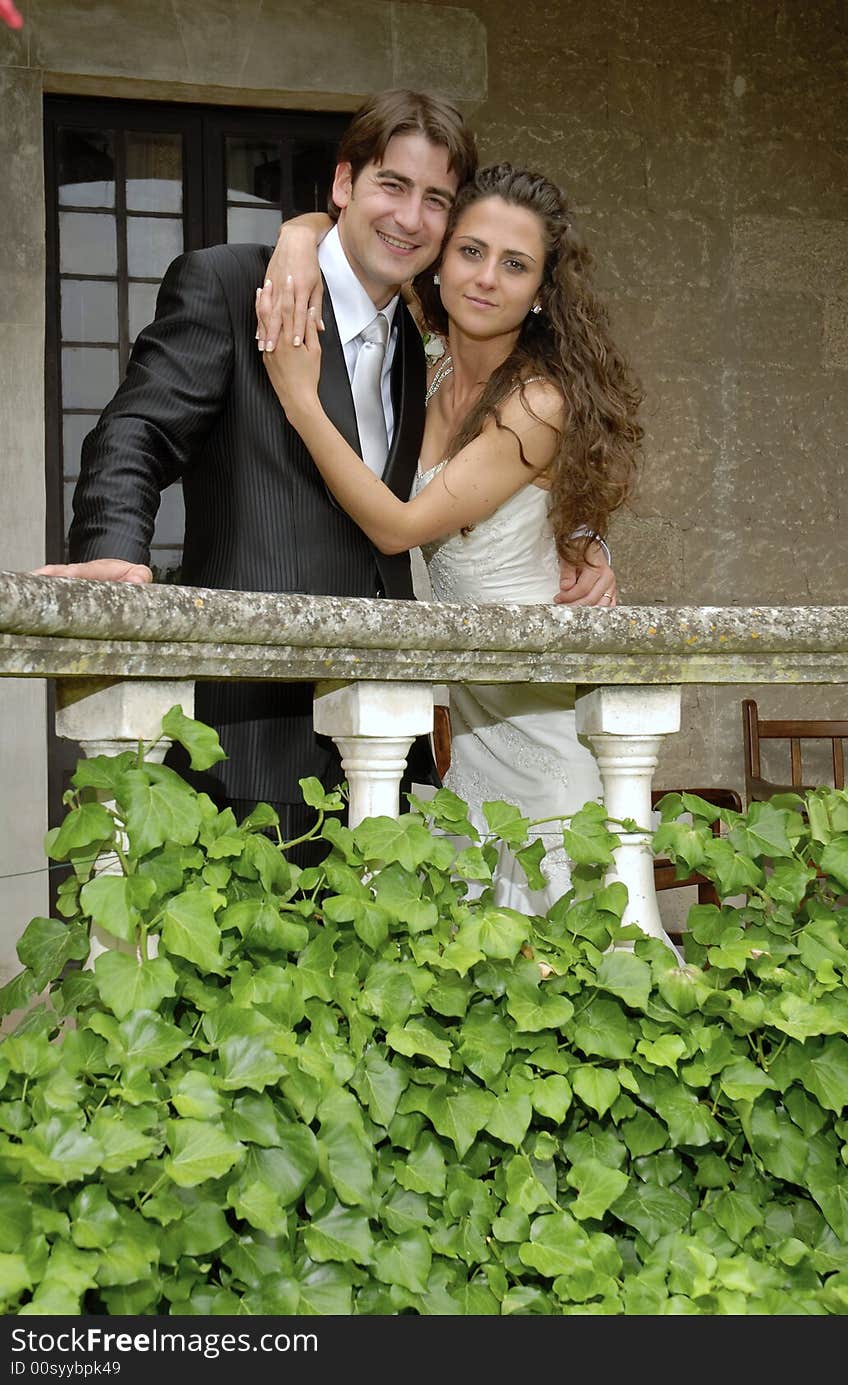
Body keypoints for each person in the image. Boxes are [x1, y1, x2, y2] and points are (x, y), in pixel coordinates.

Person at [33, 90, 615, 864]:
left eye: (436, 200)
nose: (410, 218)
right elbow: (133, 432)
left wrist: (580, 534)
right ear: (342, 184)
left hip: (387, 754)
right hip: (247, 743)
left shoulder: (419, 344)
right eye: (391, 186)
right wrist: (110, 555)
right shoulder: (233, 288)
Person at [260, 163, 643, 911]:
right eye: (470, 251)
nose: (486, 278)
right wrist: (295, 237)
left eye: (516, 265)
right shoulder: (425, 370)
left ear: (541, 293)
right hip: (468, 751)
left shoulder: (536, 403)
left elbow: (396, 527)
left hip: (543, 752)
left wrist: (303, 402)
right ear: (438, 258)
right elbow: (351, 237)